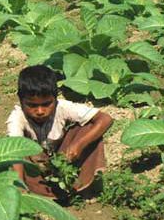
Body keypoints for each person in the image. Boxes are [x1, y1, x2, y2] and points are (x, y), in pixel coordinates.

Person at [8, 65, 113, 198]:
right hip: (35, 171)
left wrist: (79, 145)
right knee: (14, 150)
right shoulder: (17, 117)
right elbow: (14, 153)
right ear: (21, 100)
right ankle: (35, 192)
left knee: (88, 128)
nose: (40, 111)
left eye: (46, 104)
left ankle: (81, 186)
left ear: (55, 98)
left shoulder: (63, 107)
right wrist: (19, 186)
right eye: (32, 105)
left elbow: (105, 119)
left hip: (64, 161)